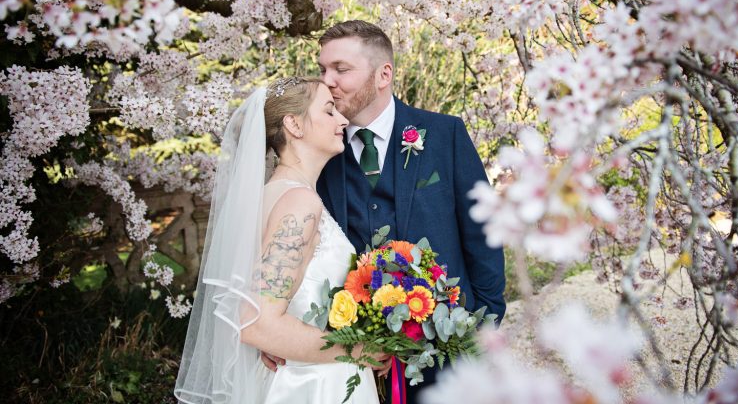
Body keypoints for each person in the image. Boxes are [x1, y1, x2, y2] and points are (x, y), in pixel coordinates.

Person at [316, 20, 507, 403]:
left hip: (448, 343)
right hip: (359, 358)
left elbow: (484, 233)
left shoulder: (444, 134)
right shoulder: (322, 152)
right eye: (322, 70)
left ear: (383, 74)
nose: (327, 81)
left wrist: (480, 325)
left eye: (341, 69)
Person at [175, 77, 386, 404]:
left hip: (302, 371)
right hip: (314, 385)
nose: (343, 120)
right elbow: (256, 323)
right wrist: (359, 348)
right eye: (329, 111)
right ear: (294, 124)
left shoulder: (274, 195)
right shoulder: (300, 203)